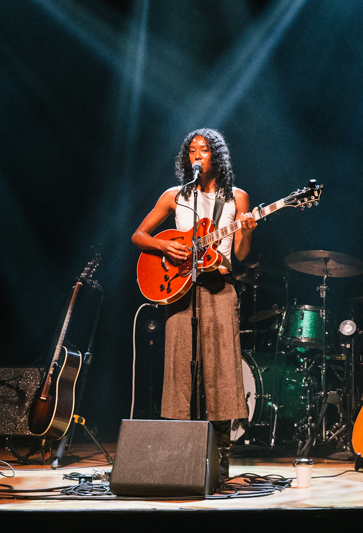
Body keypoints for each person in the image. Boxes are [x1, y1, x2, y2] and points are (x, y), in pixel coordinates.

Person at [131, 128, 258, 480]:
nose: (197, 155)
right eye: (191, 150)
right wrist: (164, 246)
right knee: (178, 372)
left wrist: (247, 230)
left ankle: (221, 458)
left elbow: (241, 254)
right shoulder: (175, 196)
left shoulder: (237, 198)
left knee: (222, 372)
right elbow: (138, 235)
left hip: (220, 288)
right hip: (180, 290)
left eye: (204, 149)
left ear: (217, 155)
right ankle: (179, 456)